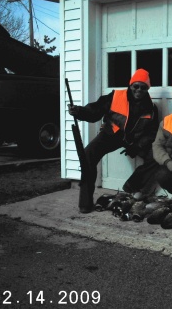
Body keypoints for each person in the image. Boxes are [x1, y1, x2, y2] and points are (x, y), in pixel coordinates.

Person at [68, 69, 159, 213]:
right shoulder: (115, 96)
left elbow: (152, 132)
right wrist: (79, 111)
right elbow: (95, 110)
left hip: (134, 141)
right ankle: (85, 203)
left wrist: (138, 146)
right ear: (130, 85)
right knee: (88, 155)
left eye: (143, 87)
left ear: (147, 88)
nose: (139, 90)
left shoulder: (152, 108)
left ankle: (131, 184)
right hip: (112, 134)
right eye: (136, 86)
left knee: (157, 156)